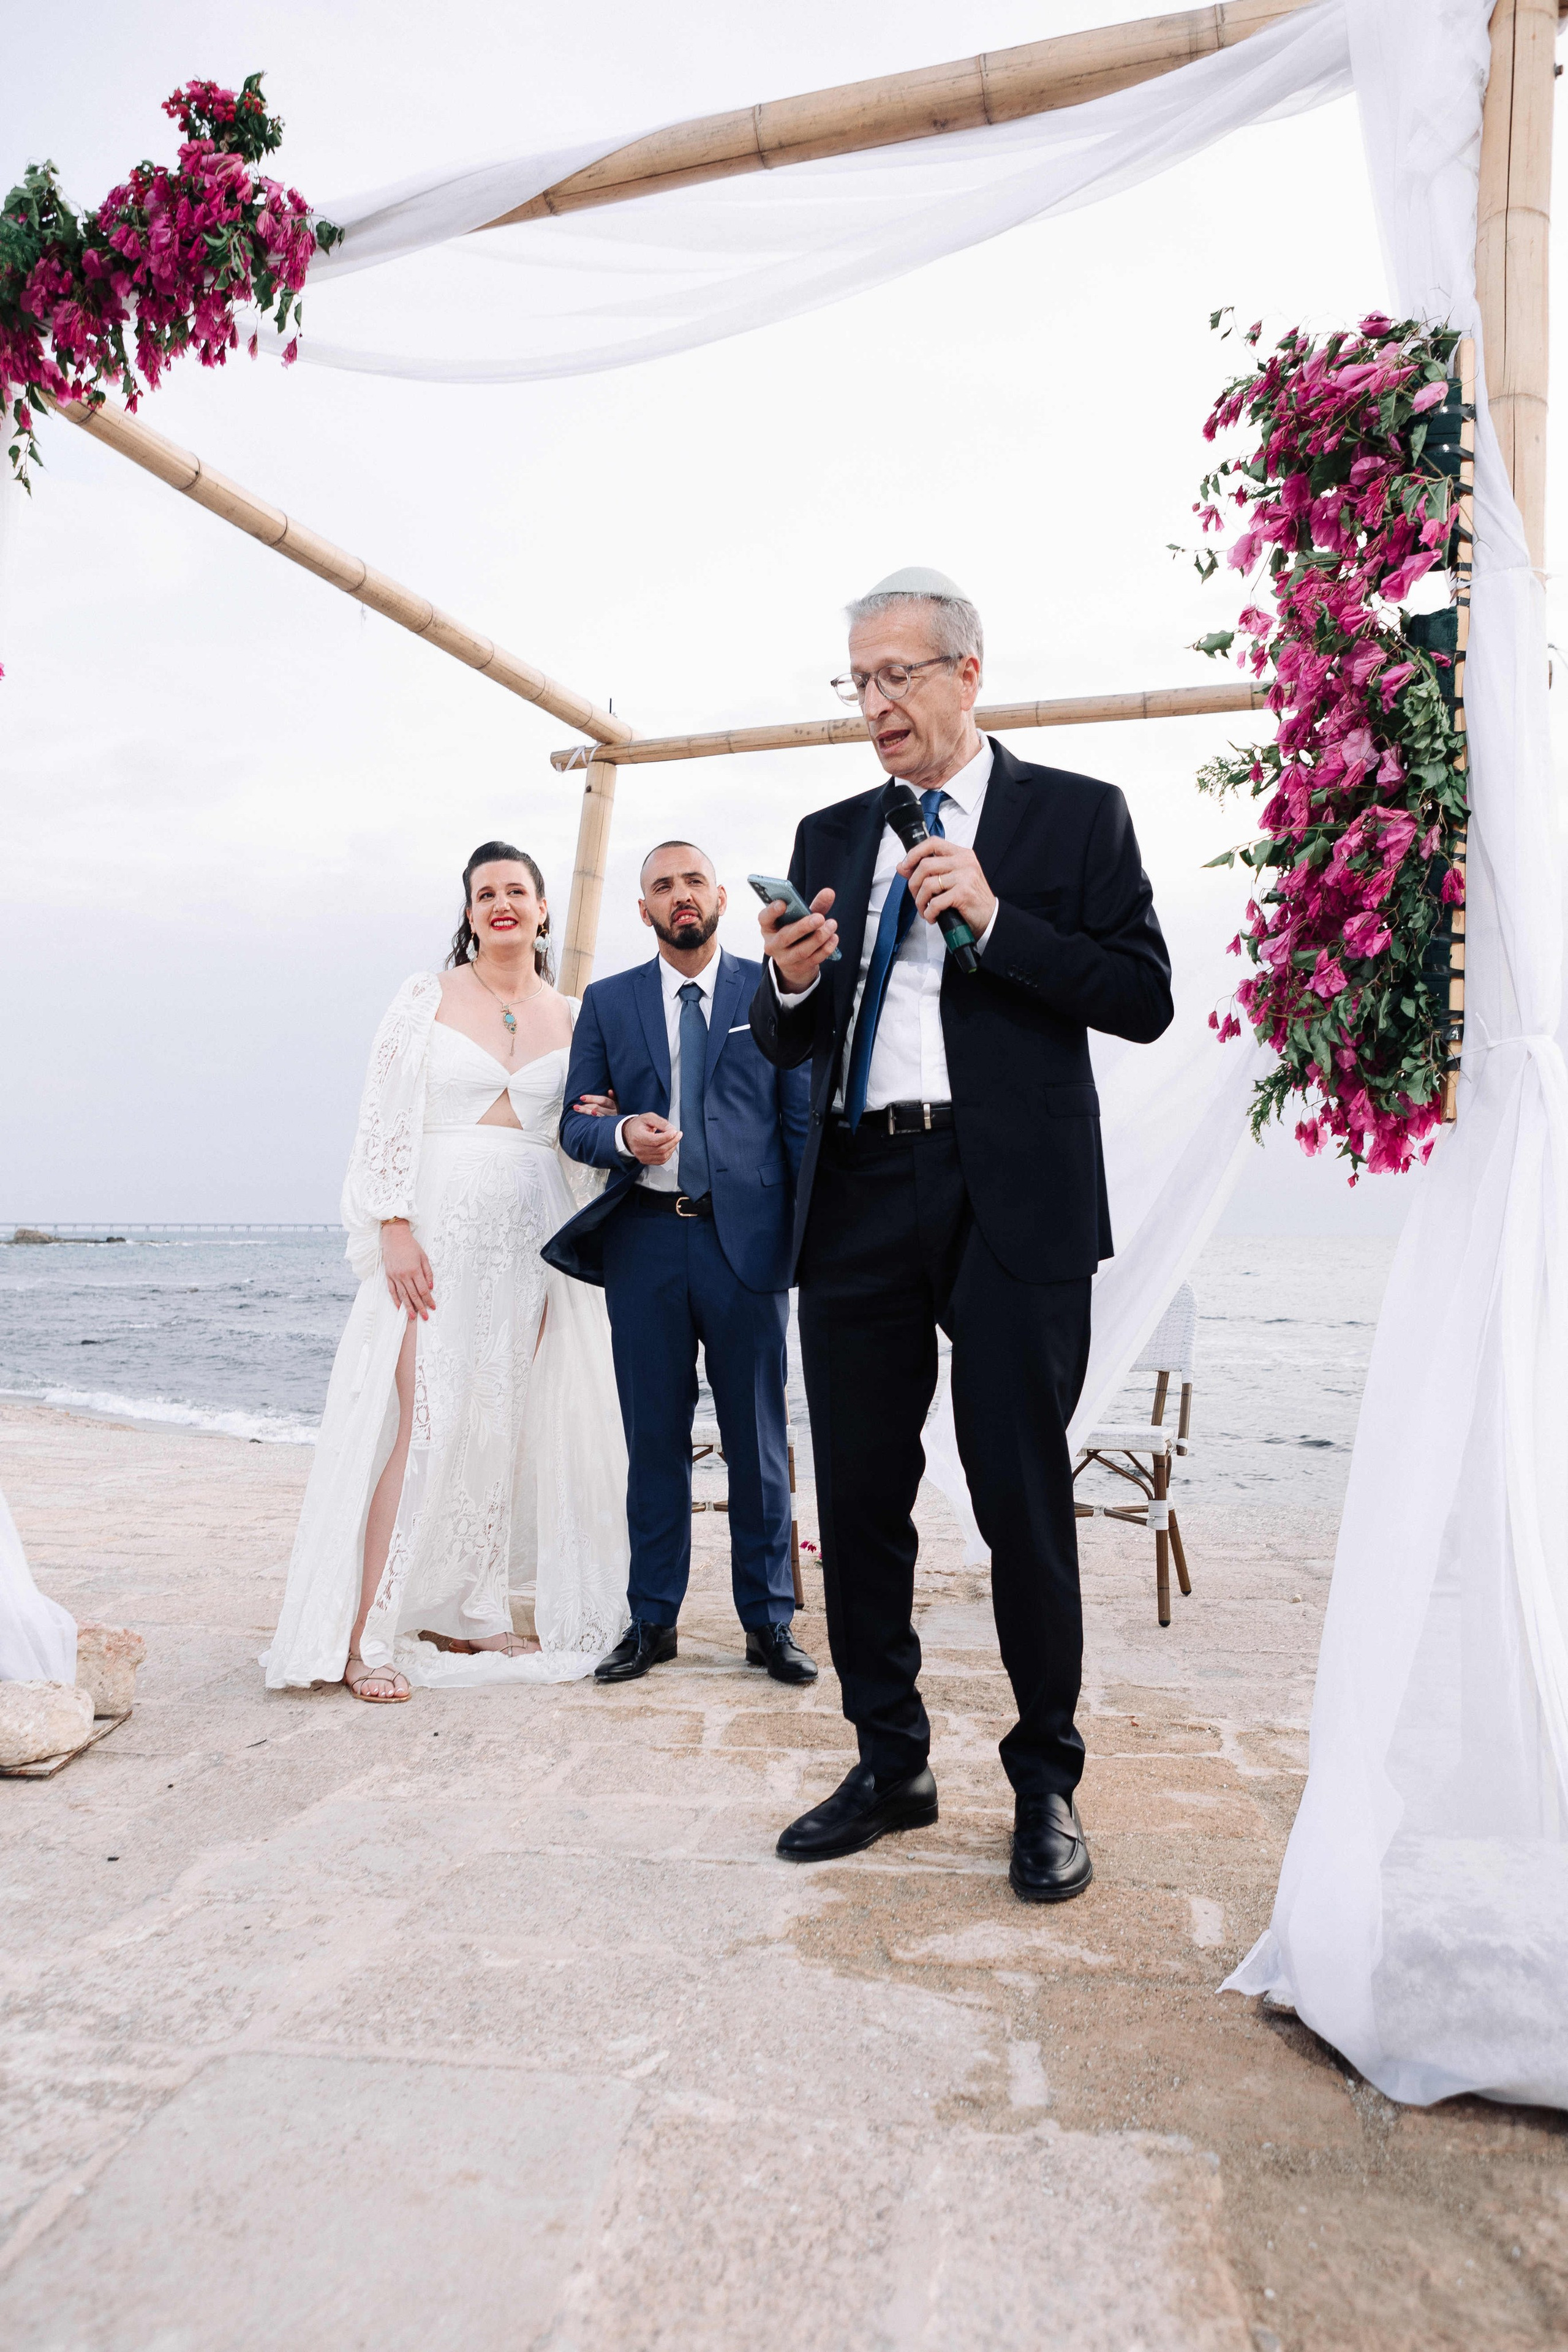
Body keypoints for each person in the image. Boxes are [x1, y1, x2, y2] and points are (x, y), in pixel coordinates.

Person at [748, 568, 1174, 1898]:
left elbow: (1143, 997)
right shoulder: (829, 832)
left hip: (1014, 1199)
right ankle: (890, 1765)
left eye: (897, 676)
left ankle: (1045, 1783)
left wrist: (994, 917)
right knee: (860, 1499)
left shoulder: (1077, 815)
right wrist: (789, 983)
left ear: (967, 674)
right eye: (857, 683)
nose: (874, 705)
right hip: (858, 1193)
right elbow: (786, 1037)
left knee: (1019, 1497)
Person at [265, 842, 631, 1701]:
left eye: (517, 891)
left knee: (500, 1425)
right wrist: (391, 1224)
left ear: (542, 909)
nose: (502, 903)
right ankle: (367, 1637)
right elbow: (382, 1116)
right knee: (423, 1422)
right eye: (485, 893)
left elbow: (579, 1135)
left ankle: (475, 1609)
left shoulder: (576, 1015)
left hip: (533, 1238)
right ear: (469, 914)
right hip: (434, 1235)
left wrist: (608, 1115)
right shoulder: (424, 998)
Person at [546, 842, 816, 1686]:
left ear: (721, 897)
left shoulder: (767, 989)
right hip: (646, 1242)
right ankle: (652, 1621)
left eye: (693, 881)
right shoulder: (609, 1001)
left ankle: (769, 1623)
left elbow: (798, 1119)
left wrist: (805, 1241)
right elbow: (576, 1123)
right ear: (645, 910)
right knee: (653, 1442)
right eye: (663, 886)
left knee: (758, 1443)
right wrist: (623, 1132)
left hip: (748, 1247)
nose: (680, 895)